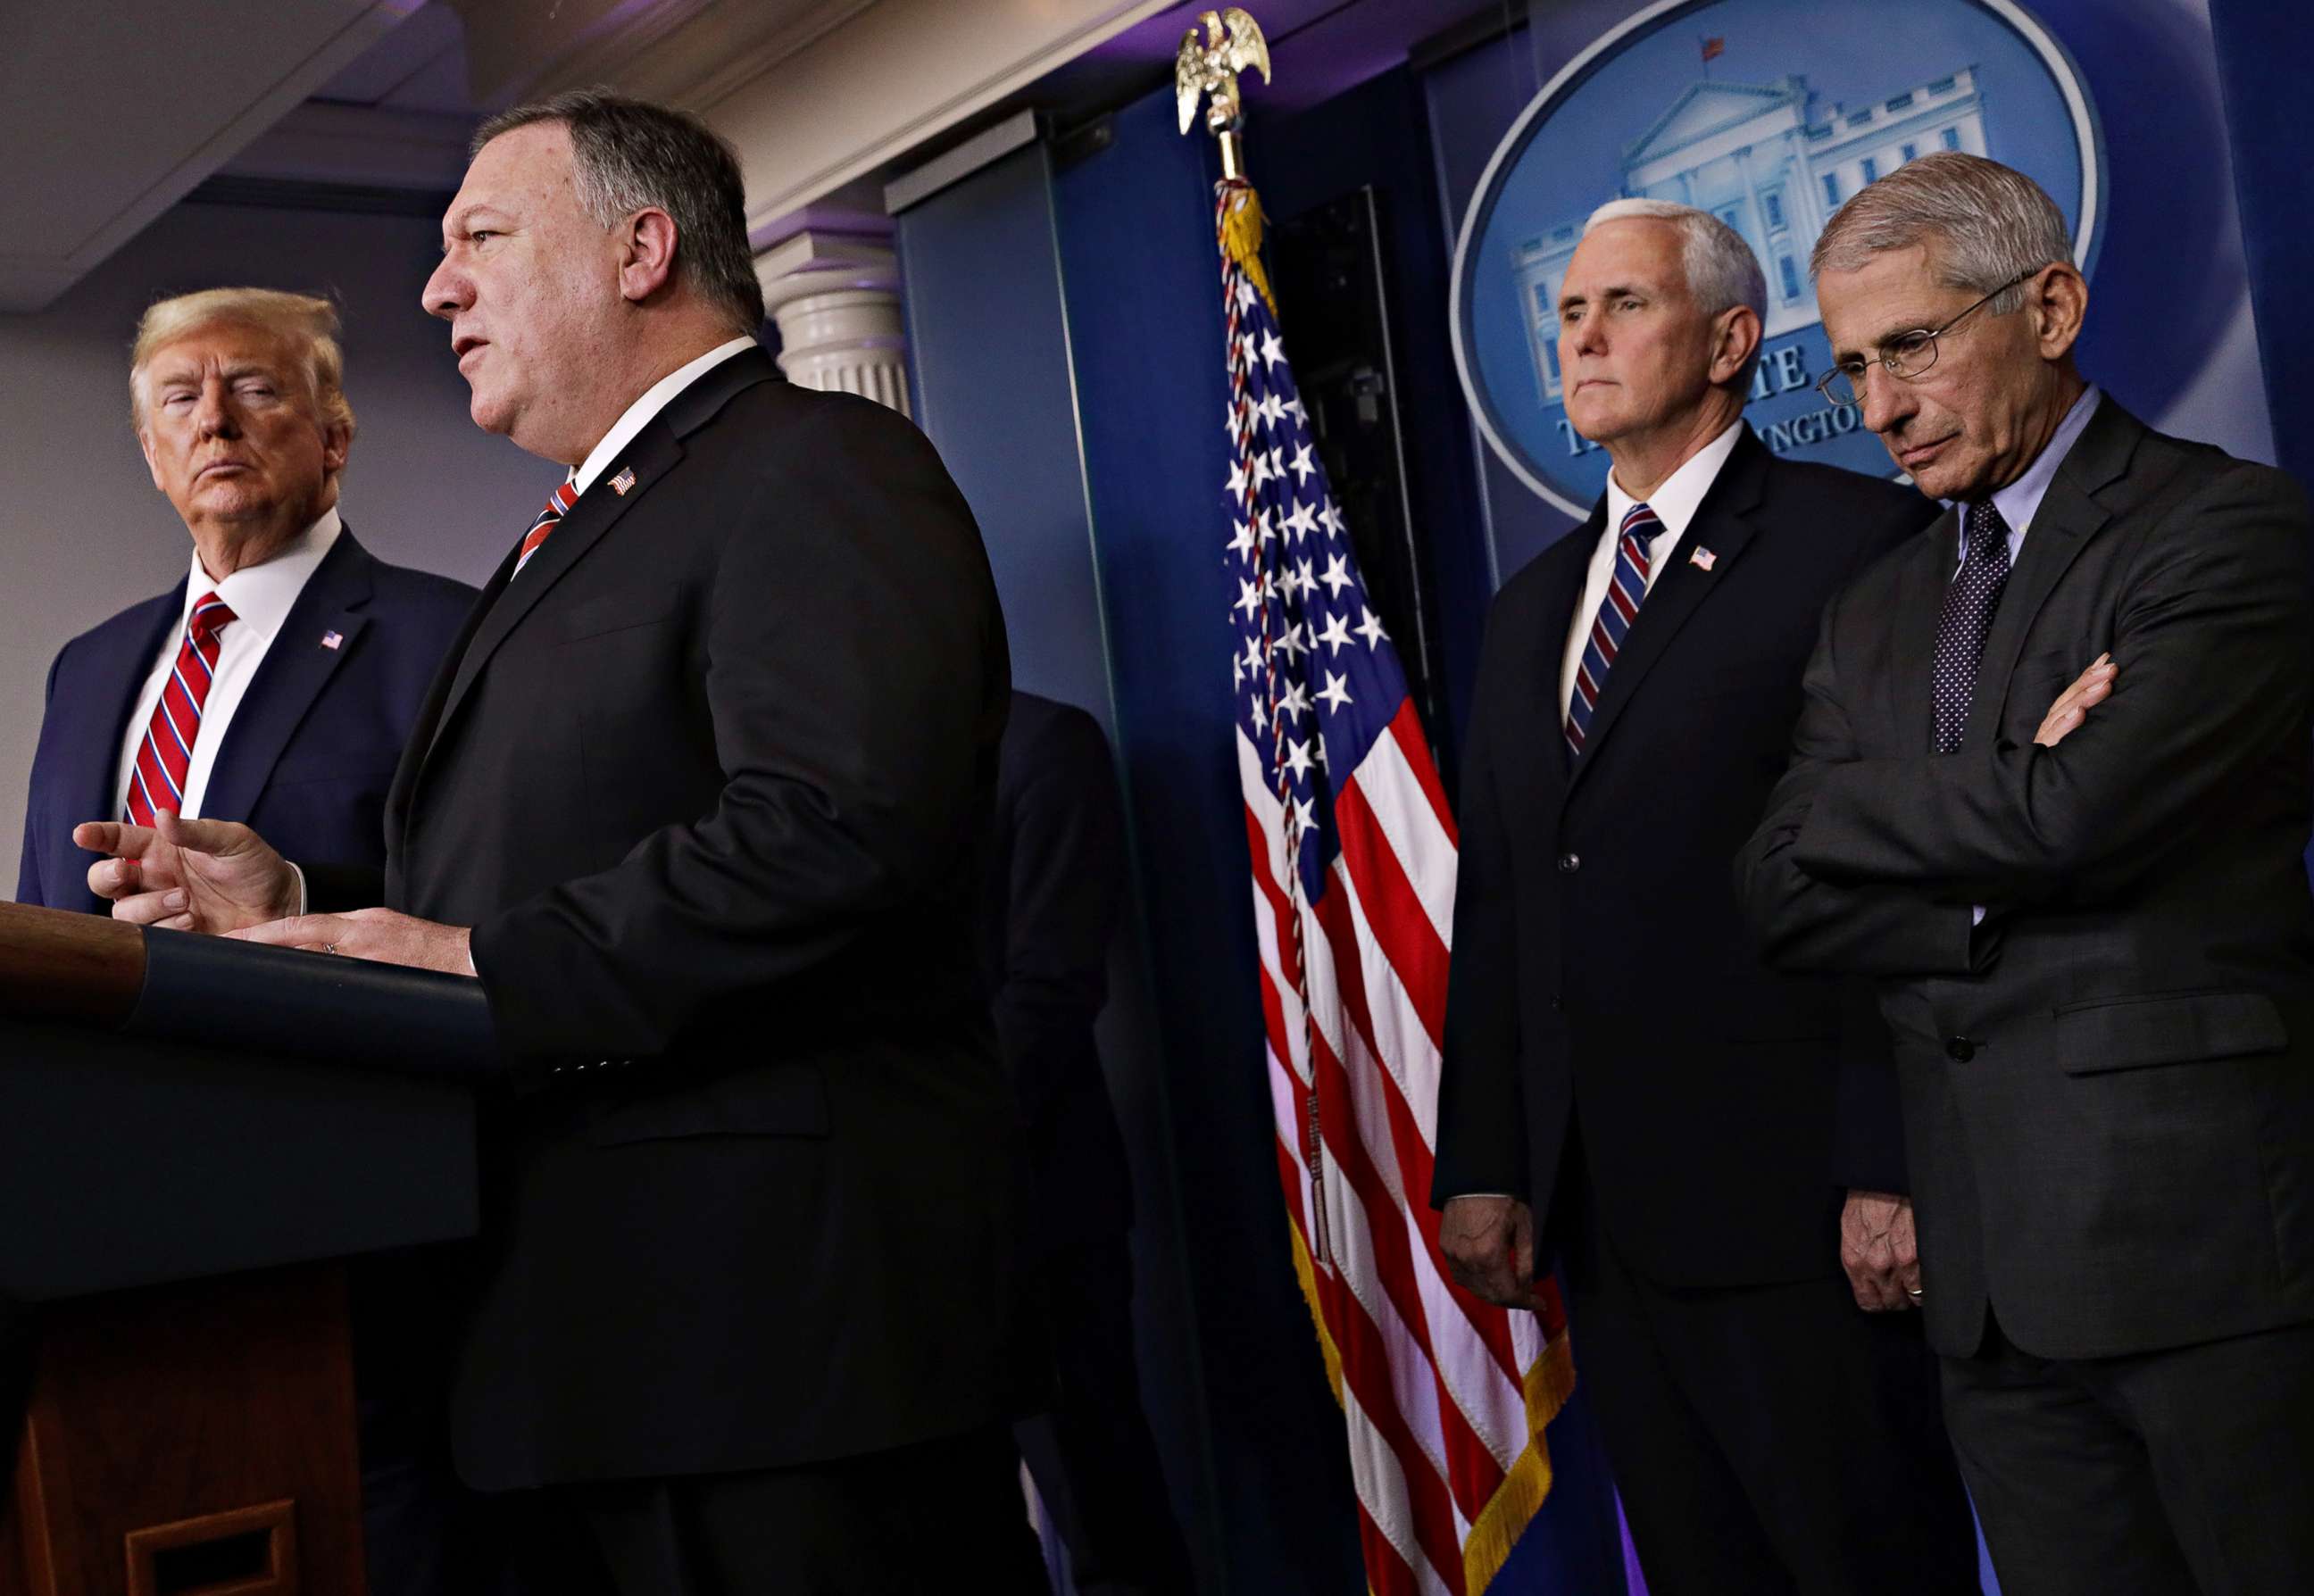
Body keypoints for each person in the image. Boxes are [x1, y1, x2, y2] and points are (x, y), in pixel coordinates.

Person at [75, 93, 1044, 1594]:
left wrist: (466, 955)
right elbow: (551, 862)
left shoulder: (817, 464)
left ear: (640, 251)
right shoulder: (586, 525)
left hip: (770, 1355)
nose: (434, 286)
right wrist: (316, 901)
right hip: (598, 1354)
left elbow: (835, 827)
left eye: (479, 239)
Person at [1738, 151, 2314, 1594]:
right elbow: (1773, 879)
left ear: (2047, 307)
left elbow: (2079, 810)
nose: (1875, 408)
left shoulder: (2222, 528)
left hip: (2211, 1268)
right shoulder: (1871, 606)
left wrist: (1888, 812)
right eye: (1853, 364)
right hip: (1986, 1296)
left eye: (1912, 346)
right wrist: (2008, 804)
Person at [1432, 198, 1976, 1594]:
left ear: (1732, 339)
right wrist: (1488, 1158)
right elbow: (1502, 893)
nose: (1584, 339)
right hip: (1605, 1221)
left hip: (1800, 1208)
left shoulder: (1852, 543)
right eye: (1567, 313)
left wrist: (1886, 1160)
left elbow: (1895, 874)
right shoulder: (1529, 602)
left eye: (1625, 306)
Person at [12, 287, 479, 1596]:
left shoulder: (449, 640)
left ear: (335, 434)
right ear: (155, 454)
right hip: (107, 1244)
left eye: (258, 388)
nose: (214, 418)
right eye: (180, 399)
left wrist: (294, 913)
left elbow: (478, 917)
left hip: (349, 1249)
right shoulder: (90, 666)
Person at [980, 691, 1194, 1595]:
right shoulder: (838, 755)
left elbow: (1054, 989)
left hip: (1040, 1205)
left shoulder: (1044, 743)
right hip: (887, 1224)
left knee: (1101, 1502)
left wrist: (931, 1141)